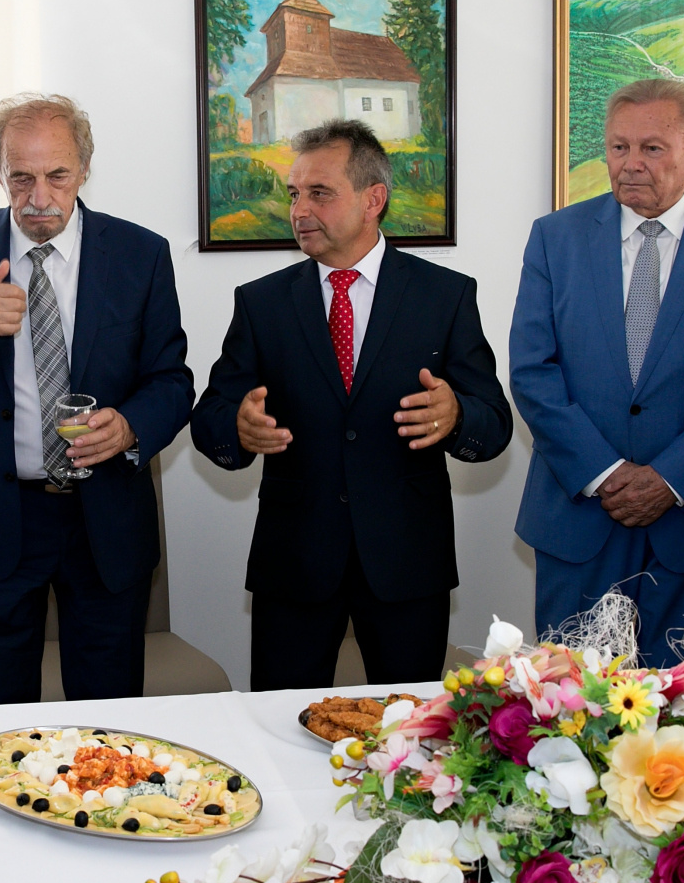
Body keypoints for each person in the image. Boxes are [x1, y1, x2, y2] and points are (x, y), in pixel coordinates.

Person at [0, 94, 192, 705]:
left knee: (107, 730)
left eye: (58, 176)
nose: (39, 197)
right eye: (21, 177)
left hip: (105, 524)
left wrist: (130, 426)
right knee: (0, 731)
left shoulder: (140, 254)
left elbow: (172, 381)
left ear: (85, 169)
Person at [192, 120, 512, 691]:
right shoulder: (262, 303)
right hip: (294, 561)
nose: (299, 210)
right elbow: (210, 415)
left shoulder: (444, 296)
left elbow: (495, 422)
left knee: (408, 728)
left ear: (373, 199)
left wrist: (457, 416)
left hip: (406, 561)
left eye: (320, 193)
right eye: (294, 194)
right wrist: (238, 428)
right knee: (276, 723)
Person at [509, 78, 684, 663]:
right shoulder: (555, 237)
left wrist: (671, 478)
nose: (631, 163)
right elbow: (534, 371)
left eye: (652, 148)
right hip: (581, 511)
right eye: (619, 147)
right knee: (571, 697)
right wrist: (605, 472)